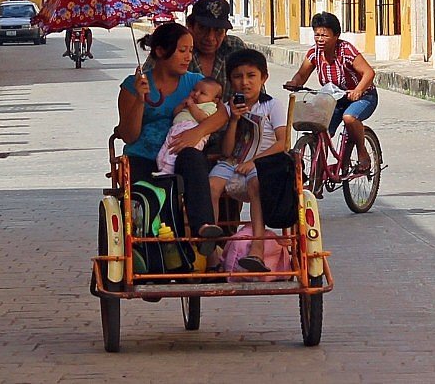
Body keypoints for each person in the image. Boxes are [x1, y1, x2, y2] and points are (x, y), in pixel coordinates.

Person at [114, 23, 227, 249]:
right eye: (181, 51)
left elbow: (222, 115)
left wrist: (196, 133)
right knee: (156, 191)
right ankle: (164, 248)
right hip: (144, 155)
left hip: (182, 149)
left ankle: (204, 228)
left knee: (194, 161)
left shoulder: (196, 83)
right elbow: (129, 135)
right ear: (160, 51)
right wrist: (140, 99)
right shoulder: (132, 85)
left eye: (190, 51)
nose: (188, 57)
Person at [193, 49, 300, 271]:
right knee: (210, 185)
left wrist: (255, 161)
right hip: (232, 162)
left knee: (255, 183)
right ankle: (211, 253)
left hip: (262, 164)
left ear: (263, 78)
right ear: (230, 80)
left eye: (251, 76)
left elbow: (282, 143)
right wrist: (233, 120)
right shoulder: (227, 107)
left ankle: (257, 250)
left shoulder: (272, 106)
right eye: (238, 77)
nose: (245, 82)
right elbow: (227, 150)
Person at [285, 12, 378, 171]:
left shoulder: (346, 50)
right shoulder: (314, 53)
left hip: (363, 96)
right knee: (320, 129)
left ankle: (363, 154)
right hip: (334, 98)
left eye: (325, 35)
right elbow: (302, 75)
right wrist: (294, 83)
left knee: (349, 118)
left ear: (336, 35)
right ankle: (319, 176)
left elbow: (369, 73)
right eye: (317, 35)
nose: (320, 39)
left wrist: (358, 90)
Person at [157, 79, 223, 175]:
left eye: (202, 93)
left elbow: (203, 119)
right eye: (194, 90)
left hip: (193, 129)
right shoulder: (188, 103)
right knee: (165, 150)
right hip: (176, 128)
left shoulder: (210, 106)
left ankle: (168, 172)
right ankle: (161, 167)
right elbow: (175, 113)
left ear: (214, 99)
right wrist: (181, 105)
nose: (196, 94)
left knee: (177, 151)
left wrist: (192, 106)